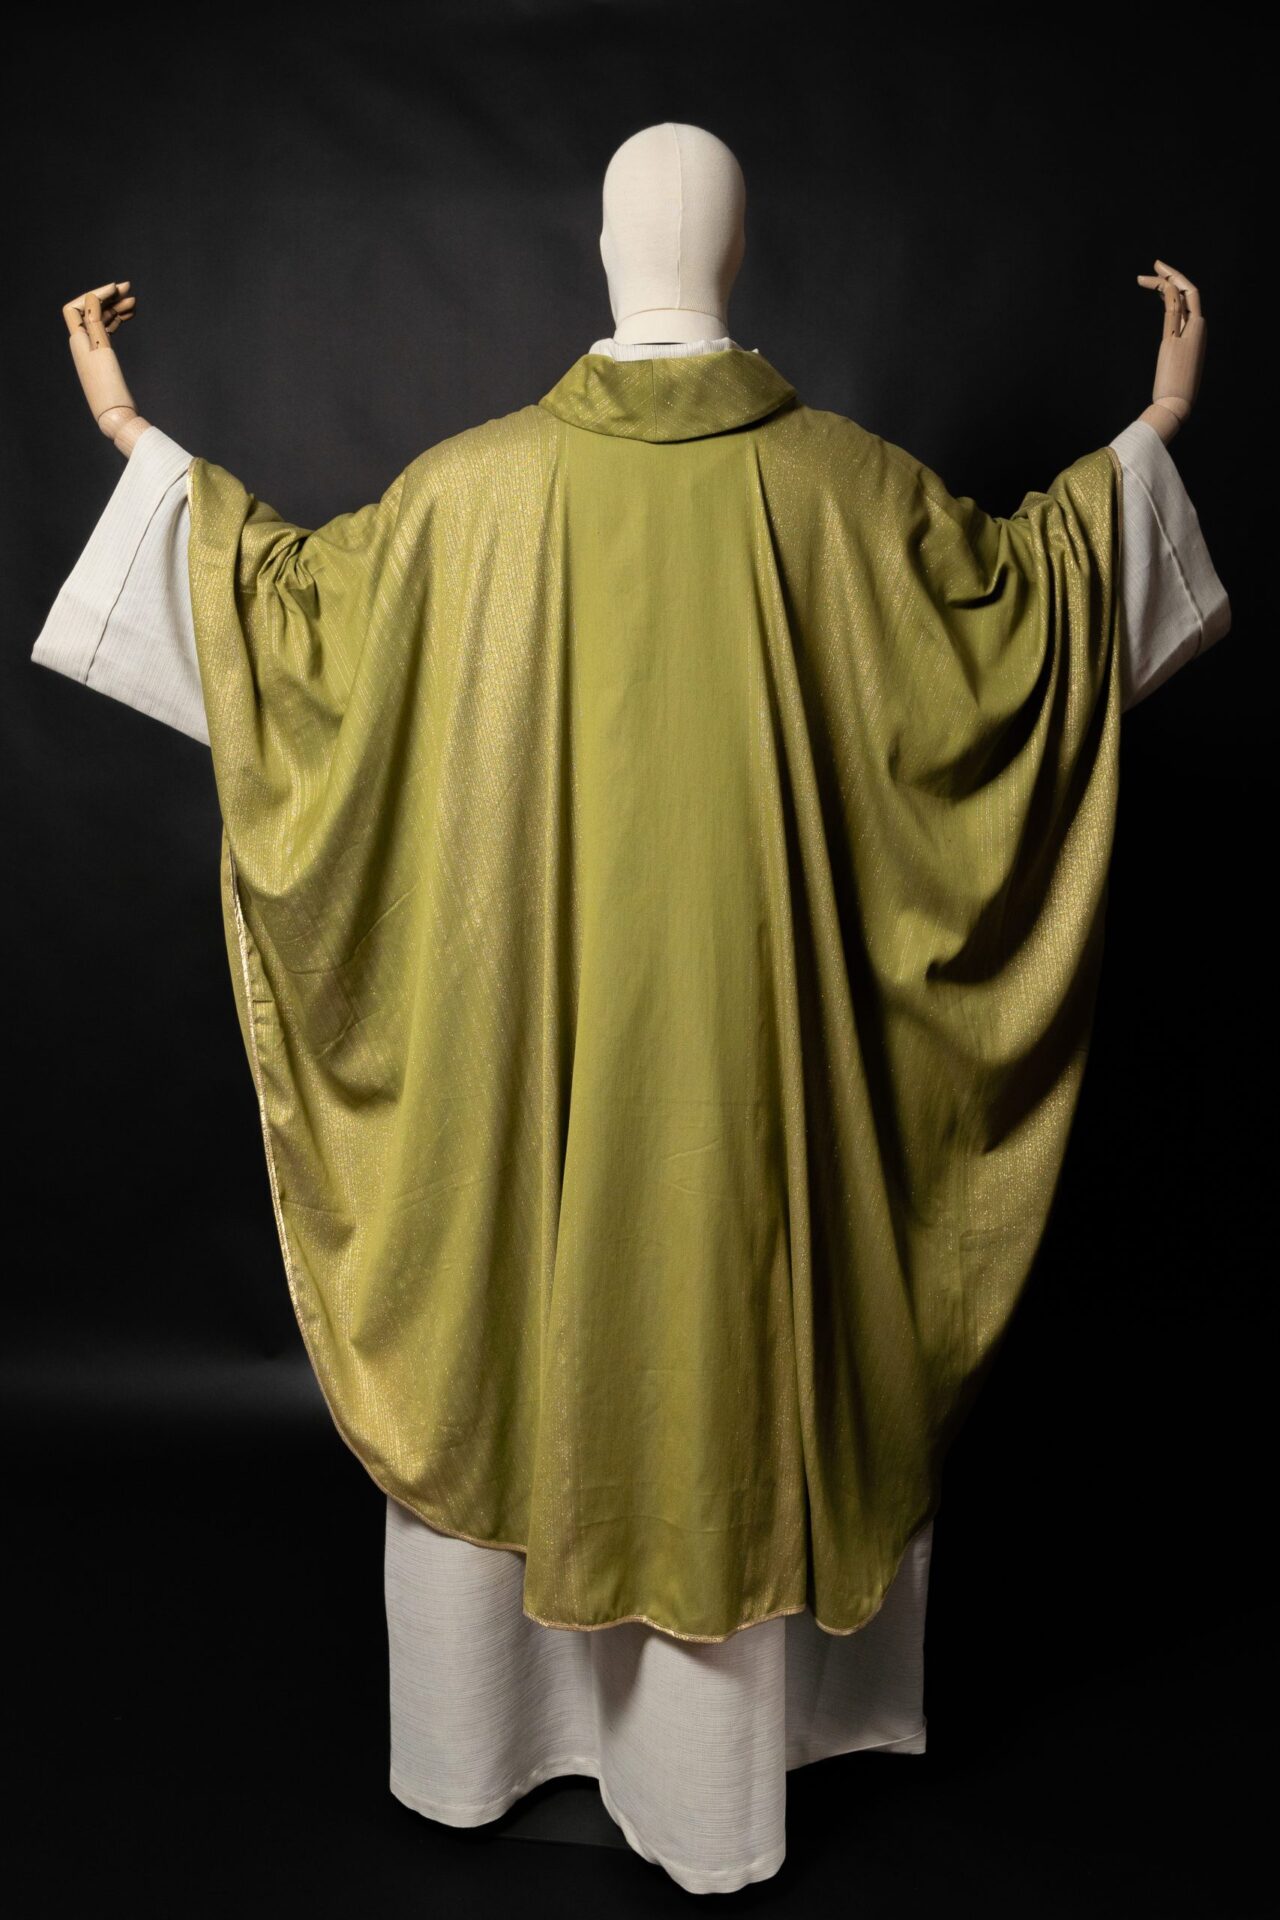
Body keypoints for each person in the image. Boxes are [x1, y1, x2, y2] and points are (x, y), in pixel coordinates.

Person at [30, 123, 1230, 1897]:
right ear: (733, 255)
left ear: (611, 252)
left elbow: (289, 630)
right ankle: (724, 1775)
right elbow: (1023, 622)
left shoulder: (471, 493)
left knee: (514, 1296)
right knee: (737, 1314)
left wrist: (135, 438)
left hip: (524, 1081)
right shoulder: (852, 489)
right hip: (760, 1099)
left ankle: (491, 1741)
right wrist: (1154, 436)